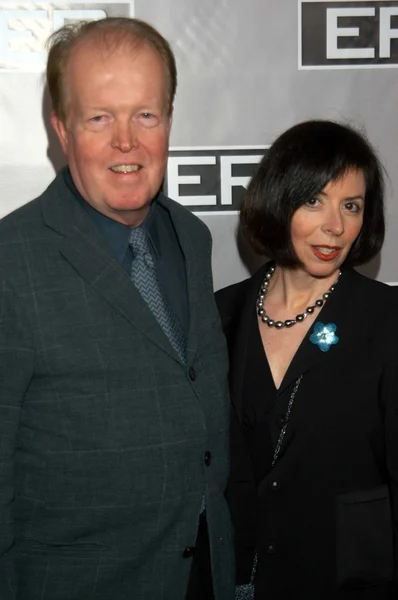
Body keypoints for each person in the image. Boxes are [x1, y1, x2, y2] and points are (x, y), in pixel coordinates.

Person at [0, 17, 234, 600]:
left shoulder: (193, 236)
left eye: (145, 115)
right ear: (61, 129)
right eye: (99, 117)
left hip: (202, 575)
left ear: (169, 121)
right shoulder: (11, 261)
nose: (125, 141)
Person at [215, 120, 398, 599]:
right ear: (279, 201)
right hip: (238, 579)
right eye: (314, 200)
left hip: (346, 581)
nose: (335, 226)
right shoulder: (219, 314)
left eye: (351, 206)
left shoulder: (386, 320)